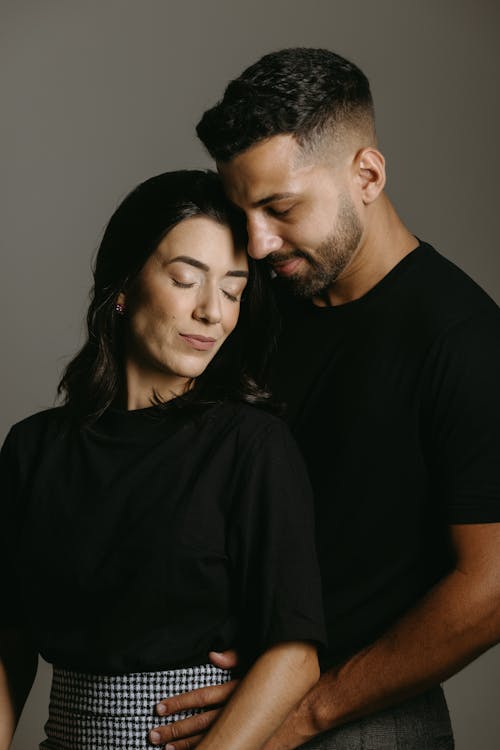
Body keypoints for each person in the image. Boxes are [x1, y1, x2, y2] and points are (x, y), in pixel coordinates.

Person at [149, 49, 500, 750]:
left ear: (366, 175)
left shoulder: (465, 340)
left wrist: (307, 711)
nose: (256, 240)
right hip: (233, 705)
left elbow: (490, 590)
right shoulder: (264, 297)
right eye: (242, 209)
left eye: (280, 208)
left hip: (360, 717)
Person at [0, 170, 327, 750]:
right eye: (185, 279)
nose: (212, 313)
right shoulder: (32, 450)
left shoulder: (252, 446)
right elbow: (9, 640)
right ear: (123, 285)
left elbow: (294, 656)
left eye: (233, 290)